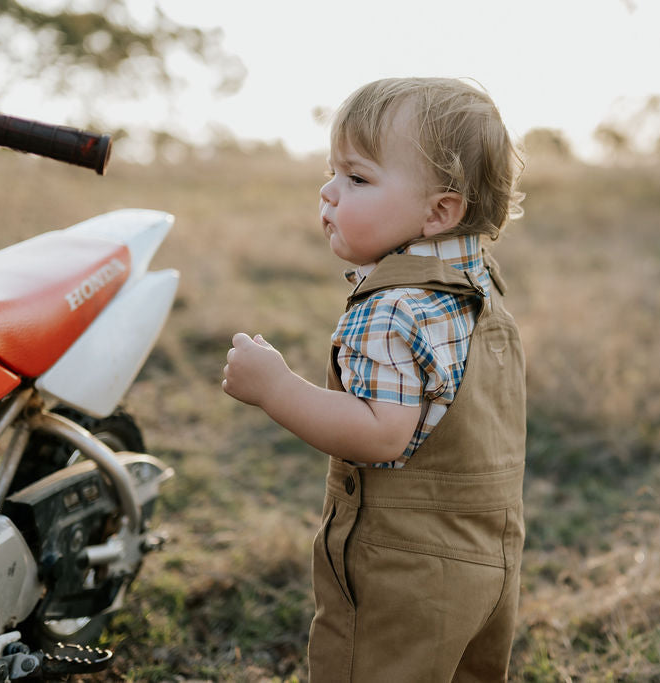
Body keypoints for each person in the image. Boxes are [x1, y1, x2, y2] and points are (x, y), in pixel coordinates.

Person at [221, 77, 526, 682]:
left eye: (358, 178)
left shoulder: (390, 309)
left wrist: (276, 388)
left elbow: (381, 434)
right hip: (492, 555)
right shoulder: (478, 287)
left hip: (405, 572)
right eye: (333, 171)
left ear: (439, 211)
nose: (329, 191)